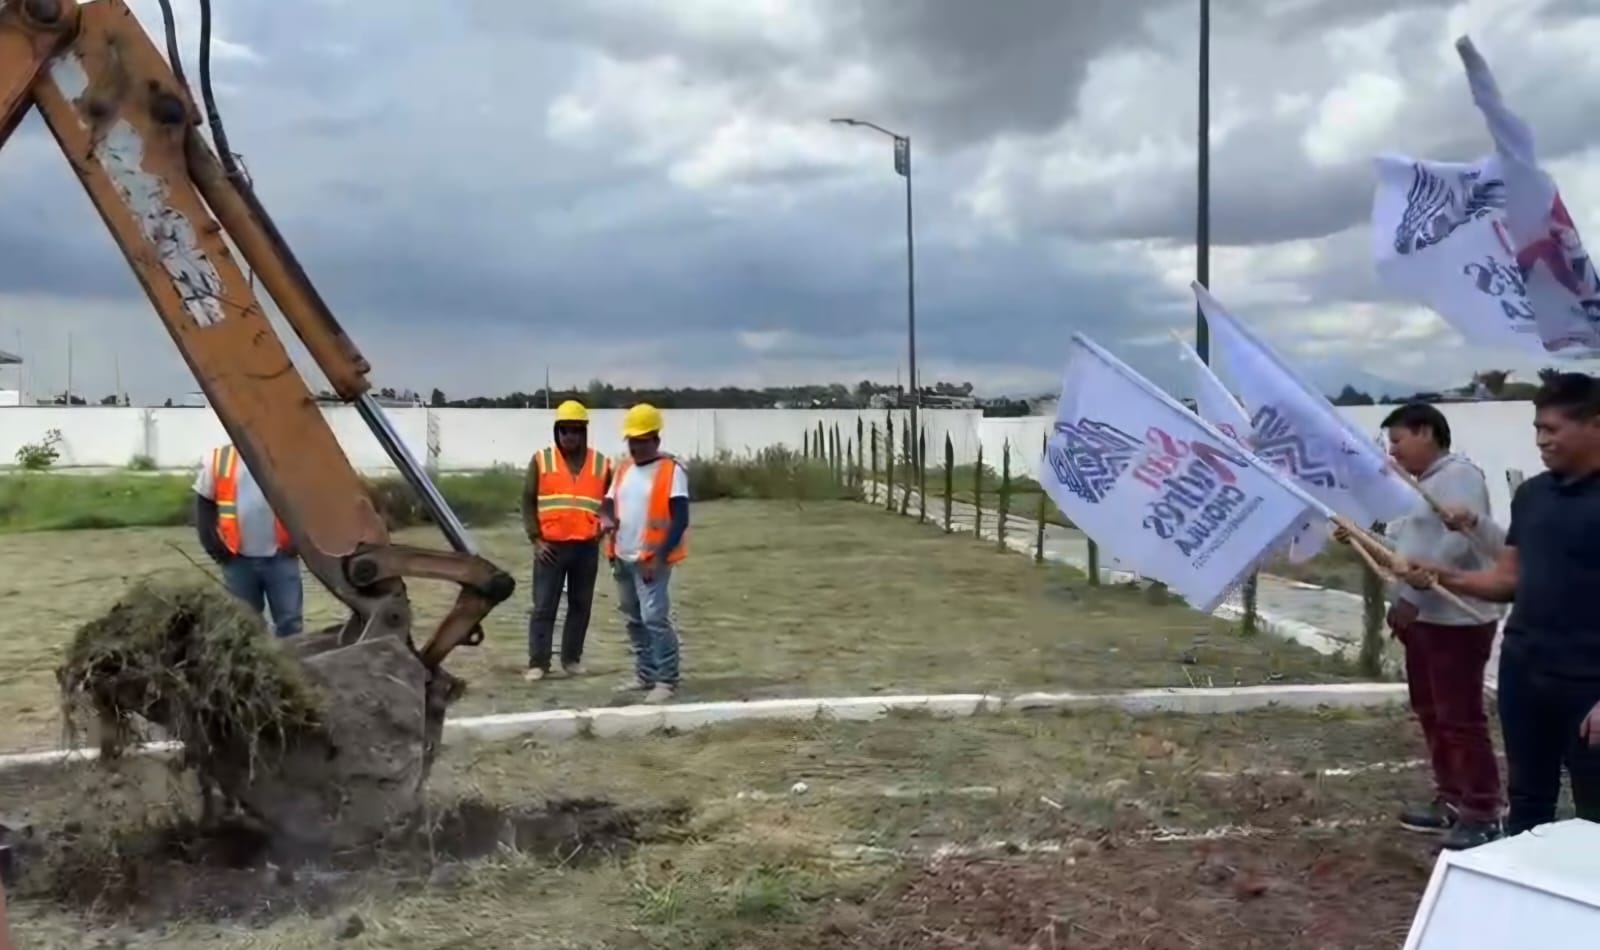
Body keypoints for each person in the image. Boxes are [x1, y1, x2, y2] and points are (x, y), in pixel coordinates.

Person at [1406, 373, 1600, 838]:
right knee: (1529, 799)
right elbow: (1507, 578)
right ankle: (1527, 899)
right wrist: (1439, 576)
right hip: (1525, 674)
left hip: (1589, 685)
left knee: (1594, 811)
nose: (1541, 440)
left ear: (1595, 424)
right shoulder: (1533, 495)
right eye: (1537, 428)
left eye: (1552, 429)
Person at [1372, 402, 1507, 850]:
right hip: (1426, 619)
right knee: (1432, 713)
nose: (1393, 453)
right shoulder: (1419, 485)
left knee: (1459, 717)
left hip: (1457, 619)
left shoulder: (1459, 477)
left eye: (1398, 440)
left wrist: (1411, 598)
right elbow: (1406, 547)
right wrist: (1364, 538)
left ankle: (1483, 808)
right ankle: (1451, 798)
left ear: (1426, 432)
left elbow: (1450, 549)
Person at [600, 403, 689, 705]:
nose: (636, 446)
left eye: (642, 440)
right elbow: (609, 501)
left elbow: (680, 519)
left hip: (652, 560)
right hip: (622, 555)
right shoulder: (623, 468)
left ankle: (667, 679)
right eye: (632, 440)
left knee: (654, 618)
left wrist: (660, 557)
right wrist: (606, 518)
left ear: (656, 440)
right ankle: (645, 674)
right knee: (633, 618)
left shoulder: (671, 471)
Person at [520, 400, 612, 682]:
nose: (569, 436)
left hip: (585, 547)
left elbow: (611, 502)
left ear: (584, 432)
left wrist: (604, 527)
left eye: (575, 430)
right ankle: (539, 662)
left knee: (580, 605)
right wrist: (536, 539)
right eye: (564, 430)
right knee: (544, 606)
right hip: (551, 548)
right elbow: (527, 500)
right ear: (556, 432)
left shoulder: (602, 464)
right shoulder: (541, 461)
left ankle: (571, 659)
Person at [192, 442, 303, 637]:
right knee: (244, 625)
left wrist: (300, 540)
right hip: (237, 559)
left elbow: (308, 500)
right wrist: (212, 544)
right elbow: (204, 503)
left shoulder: (288, 457)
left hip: (281, 555)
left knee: (290, 623)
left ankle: (290, 664)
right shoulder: (219, 460)